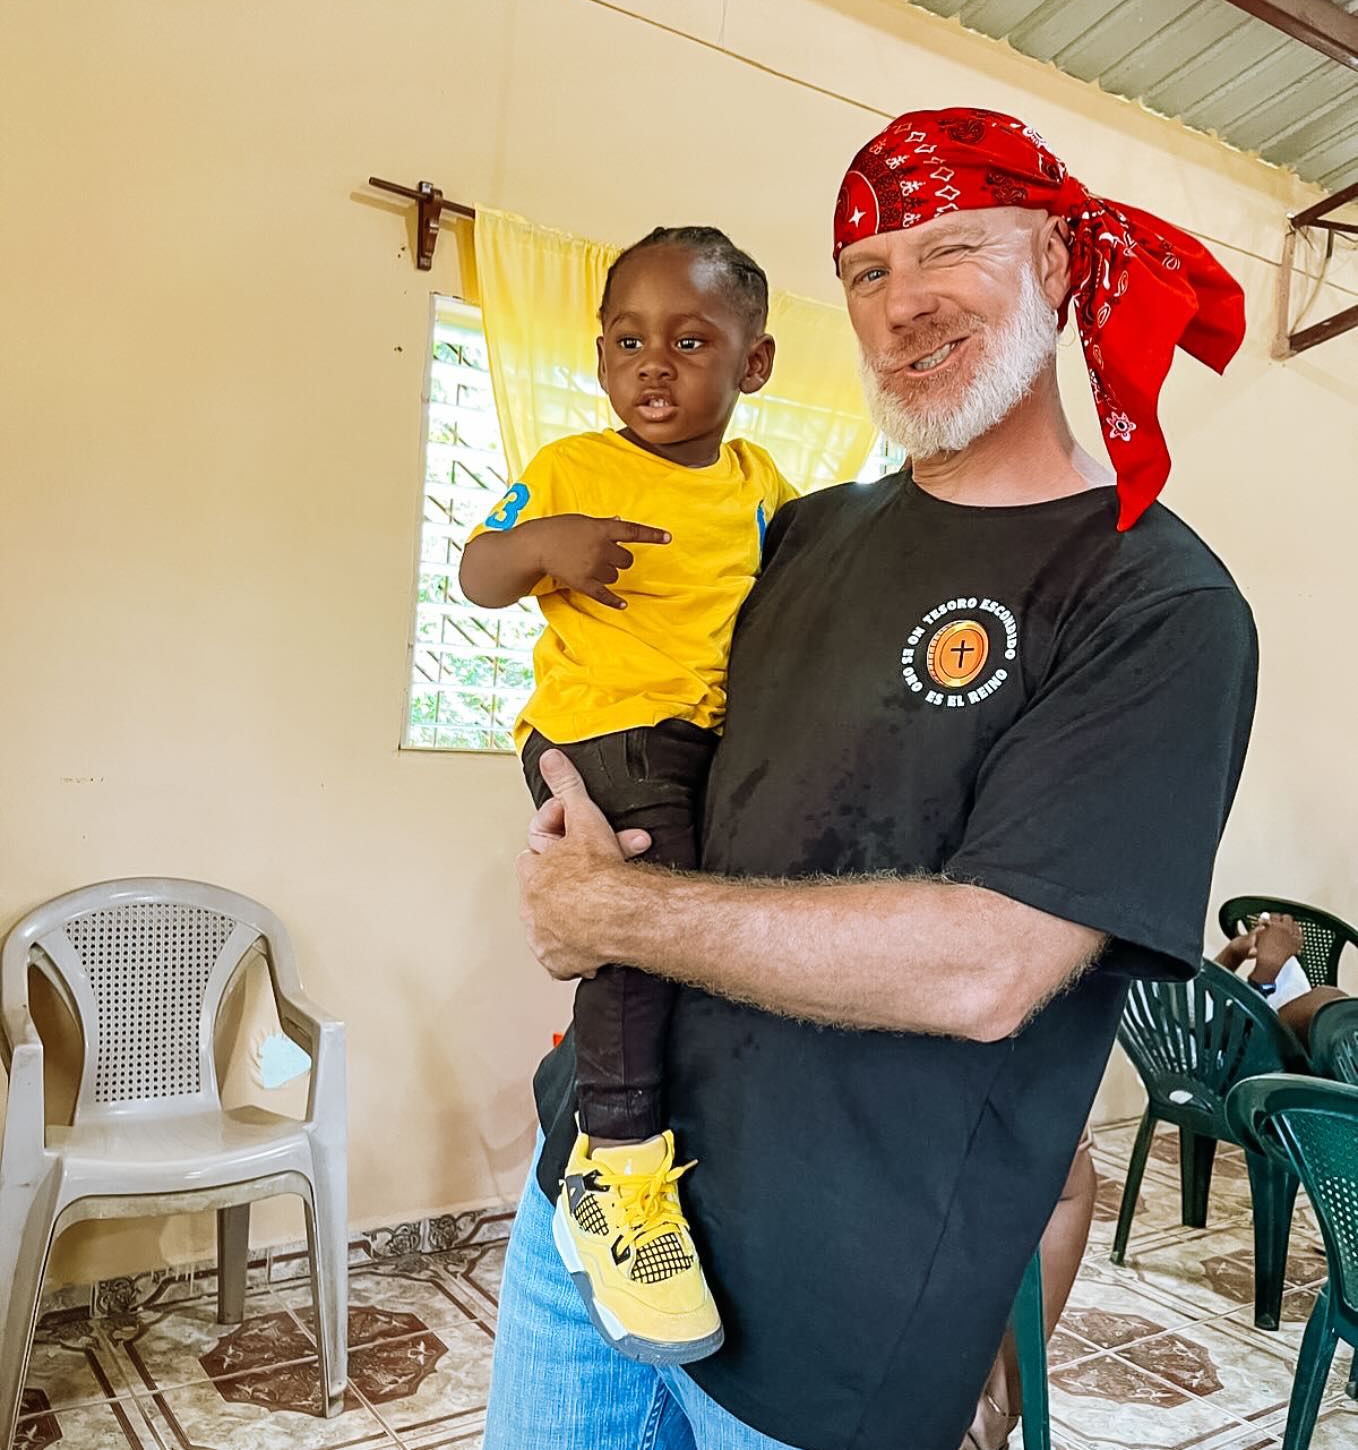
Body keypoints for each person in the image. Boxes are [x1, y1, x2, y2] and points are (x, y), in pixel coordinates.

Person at [486, 108, 1257, 1450]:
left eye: (948, 249)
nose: (902, 305)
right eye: (866, 269)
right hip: (598, 1228)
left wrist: (606, 916)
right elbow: (644, 727)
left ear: (1063, 262)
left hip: (843, 1318)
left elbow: (987, 965)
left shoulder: (1153, 601)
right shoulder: (798, 532)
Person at [460, 226, 797, 1365]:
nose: (652, 362)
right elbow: (477, 568)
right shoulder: (570, 464)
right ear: (598, 356)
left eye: (690, 339)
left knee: (702, 933)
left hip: (704, 740)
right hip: (600, 729)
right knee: (631, 922)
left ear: (752, 365)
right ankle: (616, 1163)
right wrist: (545, 543)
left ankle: (675, 1134)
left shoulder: (763, 492)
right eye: (626, 339)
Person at [1216, 911, 1350, 1046]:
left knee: (1332, 1007)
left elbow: (1199, 999)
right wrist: (1264, 974)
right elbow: (1212, 1044)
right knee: (1333, 1012)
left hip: (1231, 1028)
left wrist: (1235, 951)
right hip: (1232, 1057)